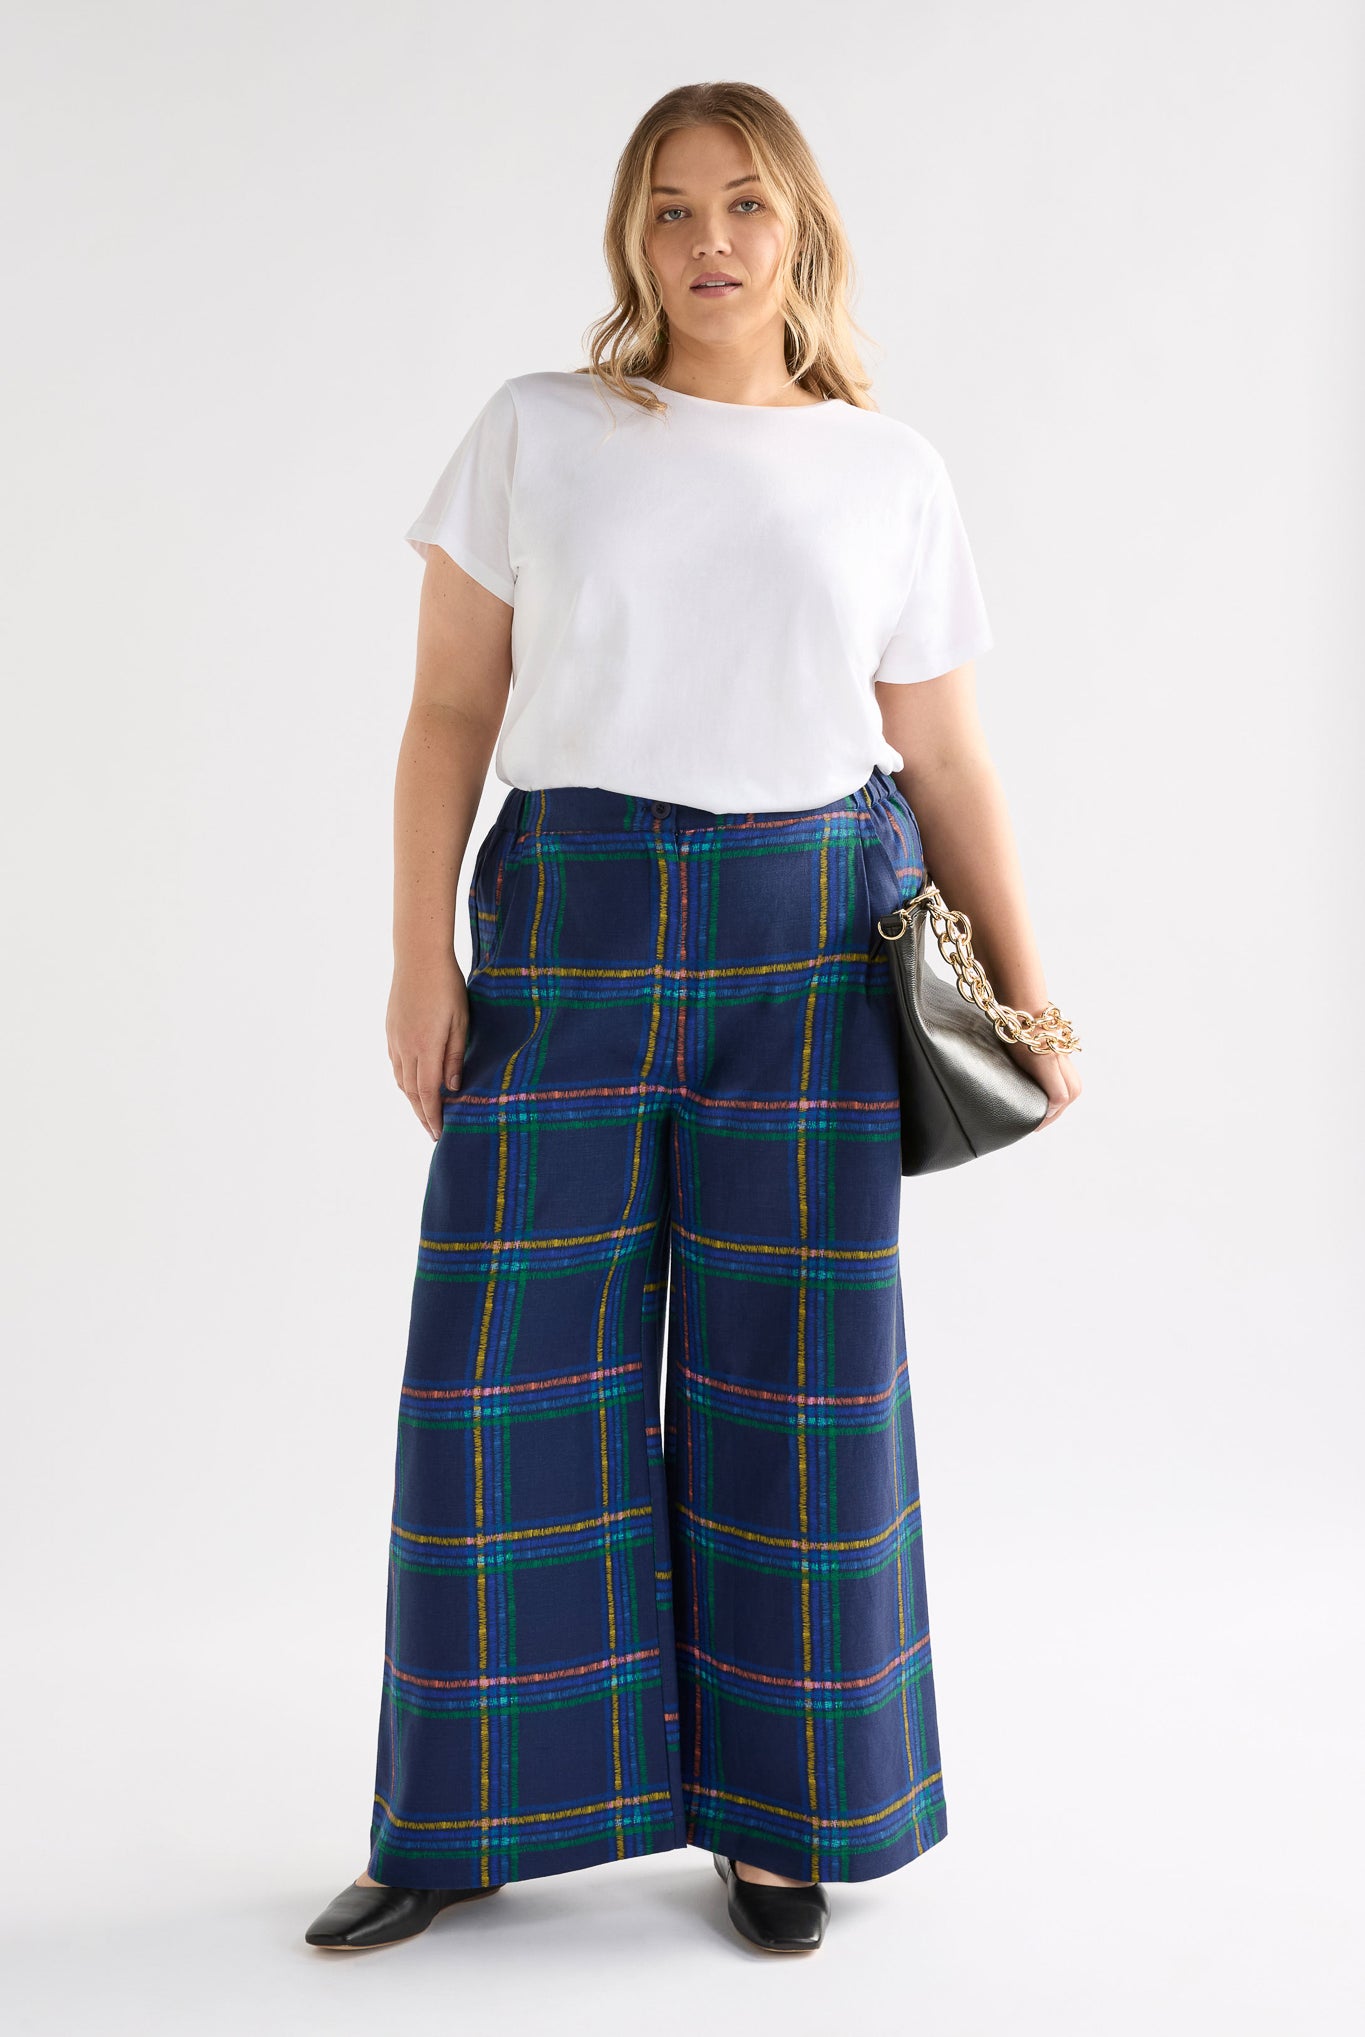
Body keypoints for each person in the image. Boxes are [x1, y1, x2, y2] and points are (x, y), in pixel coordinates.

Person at [305, 78, 1080, 1959]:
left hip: (811, 937)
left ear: (800, 229)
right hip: (567, 920)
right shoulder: (539, 429)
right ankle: (460, 1813)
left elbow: (947, 753)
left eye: (743, 204)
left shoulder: (886, 468)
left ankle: (776, 1818)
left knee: (794, 1380)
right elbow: (446, 711)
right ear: (628, 236)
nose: (708, 240)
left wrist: (1031, 988)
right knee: (499, 1368)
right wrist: (417, 959)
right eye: (669, 207)